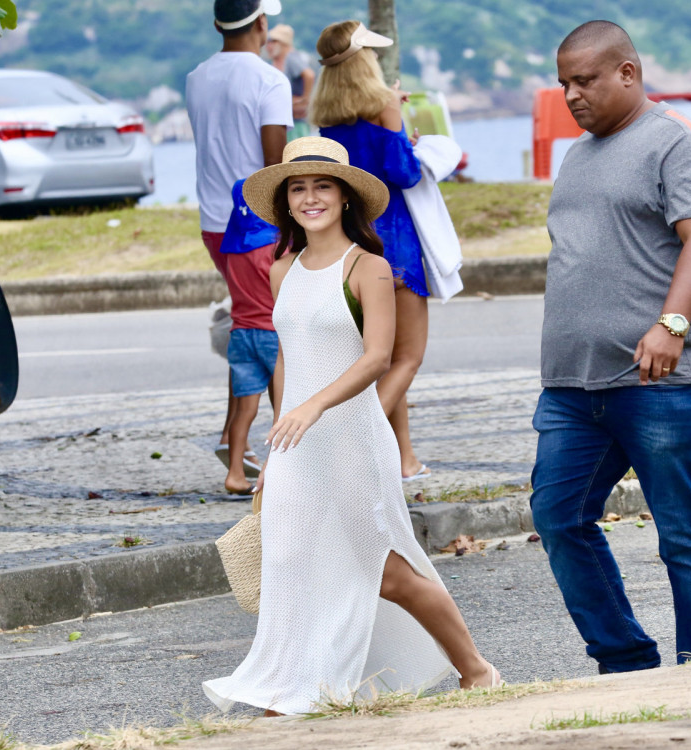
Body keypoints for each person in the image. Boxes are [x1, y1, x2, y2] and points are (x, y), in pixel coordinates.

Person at [202, 137, 500, 716]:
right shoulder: (281, 269)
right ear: (286, 203)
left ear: (344, 198)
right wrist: (280, 438)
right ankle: (289, 693)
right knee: (293, 563)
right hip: (298, 443)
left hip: (354, 440)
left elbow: (378, 357)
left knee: (385, 570)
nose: (310, 197)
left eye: (323, 186)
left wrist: (314, 407)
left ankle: (476, 669)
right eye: (298, 188)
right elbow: (287, 357)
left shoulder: (369, 267)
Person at [530, 20, 691, 674]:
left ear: (627, 72)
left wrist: (672, 325)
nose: (572, 95)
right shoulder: (578, 154)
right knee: (558, 516)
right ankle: (625, 663)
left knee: (683, 533)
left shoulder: (678, 140)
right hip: (574, 386)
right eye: (564, 83)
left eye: (585, 80)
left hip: (666, 383)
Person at [311, 20, 432, 482]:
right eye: (373, 54)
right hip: (395, 246)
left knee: (379, 358)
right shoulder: (385, 104)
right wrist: (398, 124)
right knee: (407, 358)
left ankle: (404, 459)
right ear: (364, 61)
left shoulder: (327, 121)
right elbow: (405, 173)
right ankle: (351, 441)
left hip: (353, 246)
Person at [186, 0, 292, 477]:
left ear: (217, 23)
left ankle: (235, 440)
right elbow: (276, 165)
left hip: (215, 223)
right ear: (262, 23)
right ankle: (280, 455)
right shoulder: (270, 80)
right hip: (258, 224)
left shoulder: (196, 78)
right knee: (272, 333)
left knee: (248, 323)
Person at [218, 179, 280, 495]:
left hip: (241, 335)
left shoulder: (231, 250)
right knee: (283, 407)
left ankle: (235, 473)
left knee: (244, 410)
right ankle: (277, 471)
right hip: (273, 335)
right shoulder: (276, 246)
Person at [266, 24, 316, 140]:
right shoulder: (277, 61)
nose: (269, 46)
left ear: (283, 43)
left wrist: (305, 99)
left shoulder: (291, 58)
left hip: (296, 123)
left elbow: (309, 75)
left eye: (273, 42)